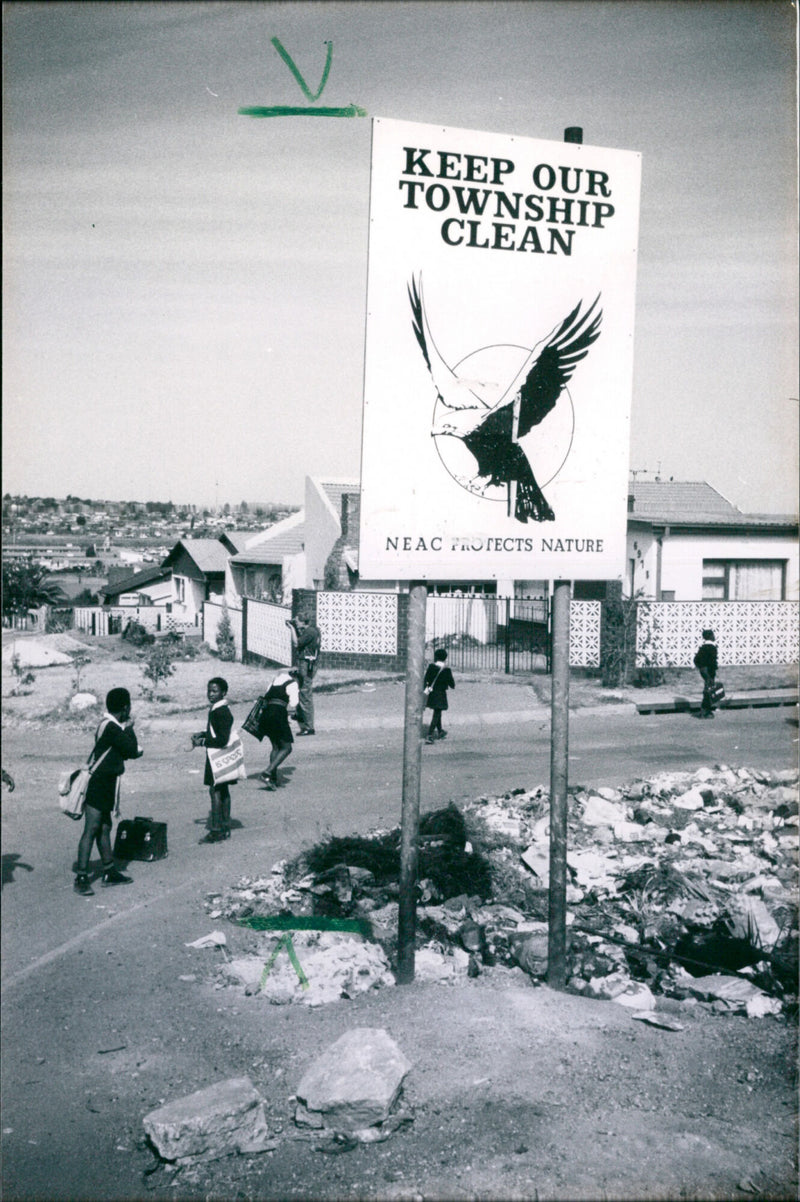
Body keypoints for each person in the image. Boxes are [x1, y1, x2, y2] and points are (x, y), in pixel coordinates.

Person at [74, 687, 143, 897]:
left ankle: (109, 870)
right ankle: (81, 877)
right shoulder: (113, 728)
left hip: (105, 782)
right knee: (92, 828)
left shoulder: (108, 725)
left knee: (104, 827)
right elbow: (132, 751)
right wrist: (130, 728)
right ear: (126, 708)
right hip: (99, 784)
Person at [192, 677, 235, 843]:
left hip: (217, 756)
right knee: (223, 790)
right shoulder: (218, 709)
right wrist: (203, 733)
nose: (210, 694)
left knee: (215, 791)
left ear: (223, 693)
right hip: (221, 756)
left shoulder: (220, 711)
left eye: (215, 691)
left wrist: (203, 742)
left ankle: (216, 830)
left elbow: (222, 739)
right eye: (209, 690)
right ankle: (225, 826)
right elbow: (216, 732)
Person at [257, 667, 300, 790]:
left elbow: (266, 698)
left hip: (266, 715)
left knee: (275, 747)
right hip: (278, 715)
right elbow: (293, 703)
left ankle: (272, 779)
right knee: (287, 748)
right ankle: (267, 772)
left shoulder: (273, 683)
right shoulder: (292, 683)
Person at [287, 614, 321, 735]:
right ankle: (301, 715)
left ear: (303, 622)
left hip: (307, 664)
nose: (296, 624)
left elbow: (296, 643)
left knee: (305, 694)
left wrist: (292, 629)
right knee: (299, 690)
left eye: (297, 622)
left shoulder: (309, 632)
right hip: (306, 664)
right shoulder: (312, 630)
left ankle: (309, 727)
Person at [423, 648, 455, 743]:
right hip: (441, 694)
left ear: (436, 657)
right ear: (445, 658)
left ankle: (440, 731)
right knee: (437, 713)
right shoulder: (447, 670)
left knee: (438, 712)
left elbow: (426, 679)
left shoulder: (431, 667)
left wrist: (426, 689)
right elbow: (452, 685)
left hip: (432, 693)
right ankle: (429, 735)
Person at [693, 629, 719, 719]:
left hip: (703, 671)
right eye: (713, 635)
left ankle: (705, 710)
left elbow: (696, 659)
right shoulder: (712, 648)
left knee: (707, 689)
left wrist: (701, 667)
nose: (714, 636)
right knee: (709, 690)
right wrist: (711, 672)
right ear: (710, 636)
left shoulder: (702, 648)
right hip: (709, 671)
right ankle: (705, 711)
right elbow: (712, 662)